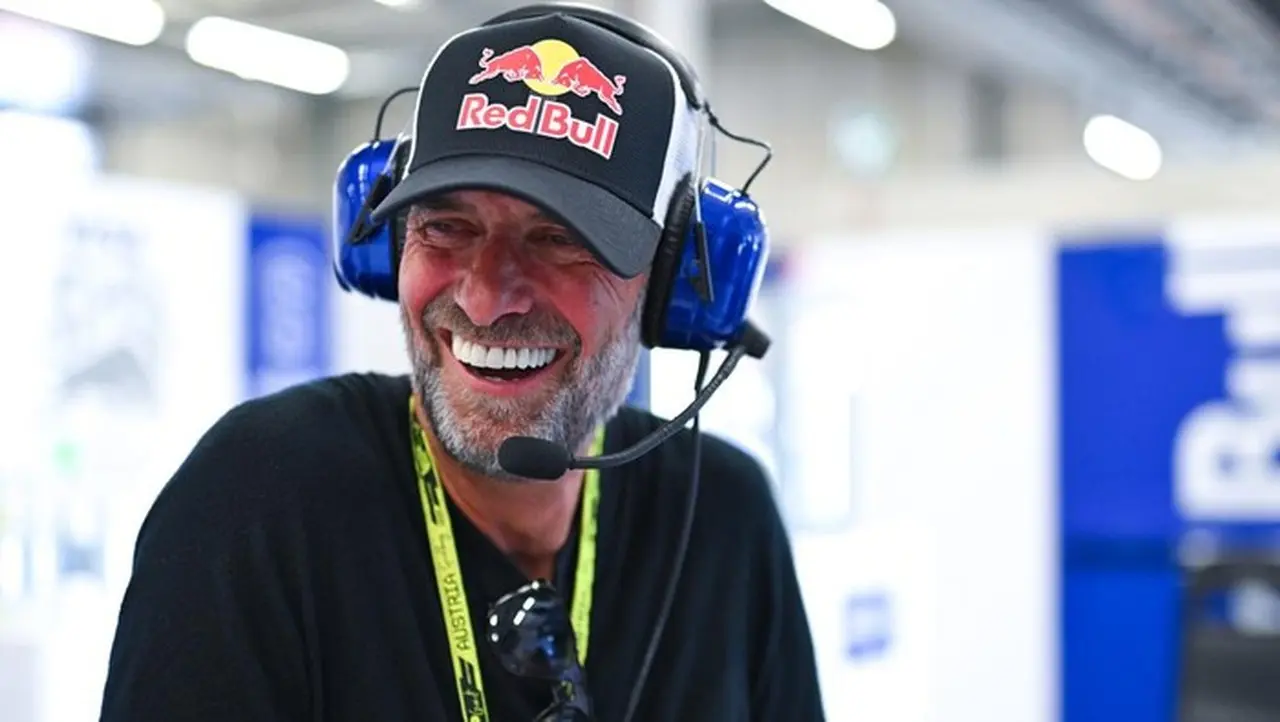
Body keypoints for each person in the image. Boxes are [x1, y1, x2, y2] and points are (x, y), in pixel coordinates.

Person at [99, 5, 824, 722]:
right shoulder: (257, 501)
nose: (485, 298)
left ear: (675, 283)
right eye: (446, 226)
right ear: (387, 248)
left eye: (559, 238)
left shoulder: (725, 519)